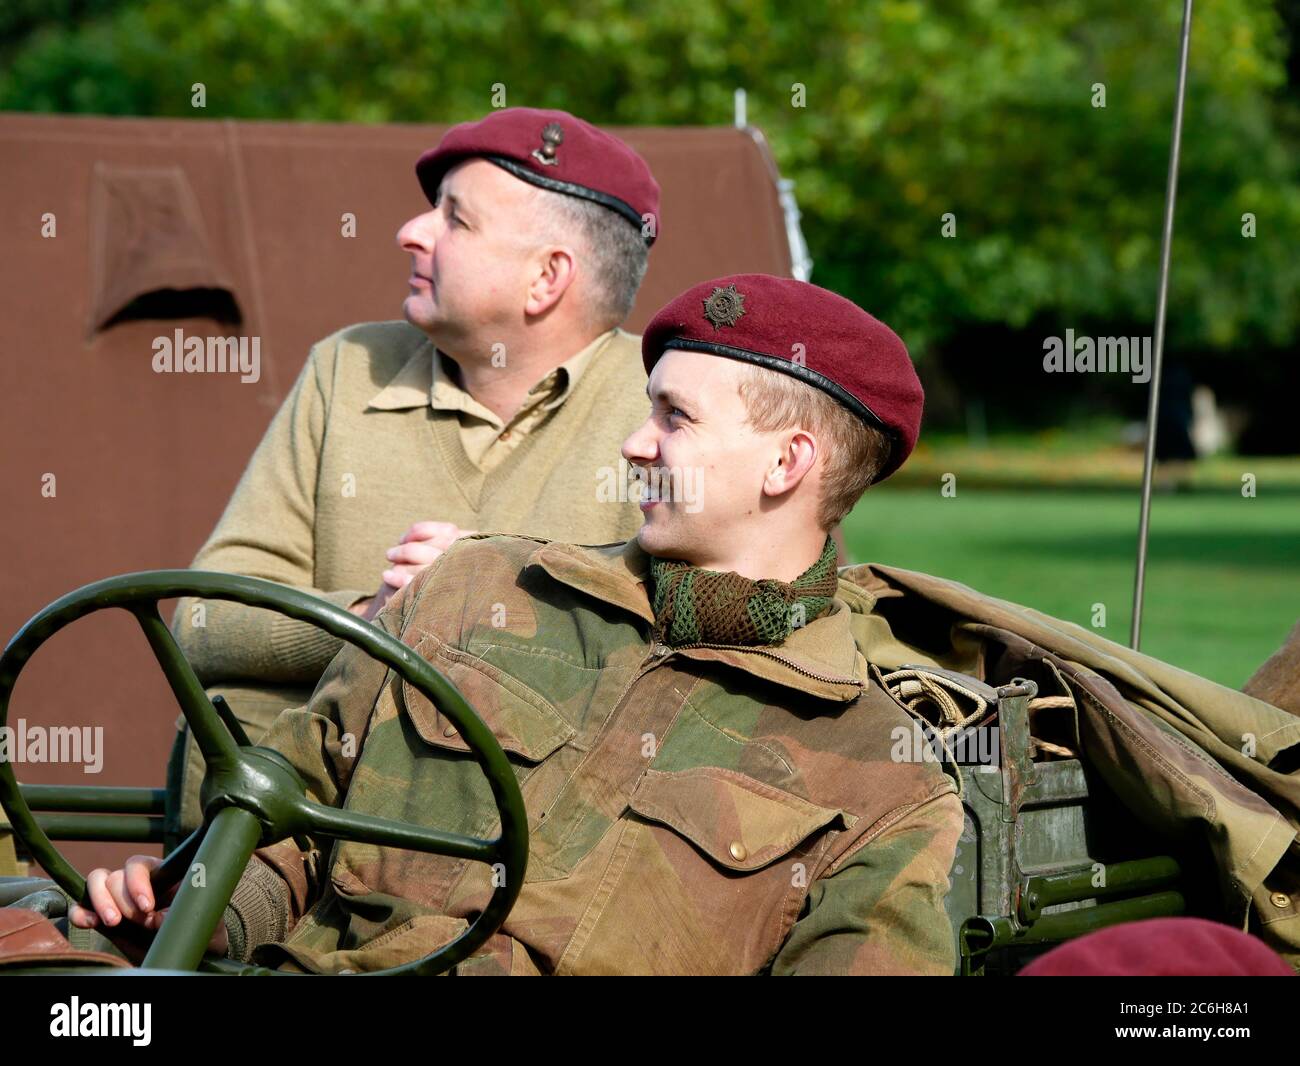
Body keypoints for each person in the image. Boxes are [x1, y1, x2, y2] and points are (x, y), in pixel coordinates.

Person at [76, 275, 960, 975]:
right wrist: (204, 911)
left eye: (674, 416)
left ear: (787, 462)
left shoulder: (884, 779)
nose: (635, 443)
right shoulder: (475, 586)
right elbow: (298, 816)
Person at [166, 107, 665, 835]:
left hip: (538, 871)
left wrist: (492, 605)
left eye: (456, 220)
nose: (413, 232)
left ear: (546, 278)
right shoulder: (346, 370)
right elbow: (202, 621)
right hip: (295, 848)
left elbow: (701, 657)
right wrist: (372, 621)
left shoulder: (668, 408)